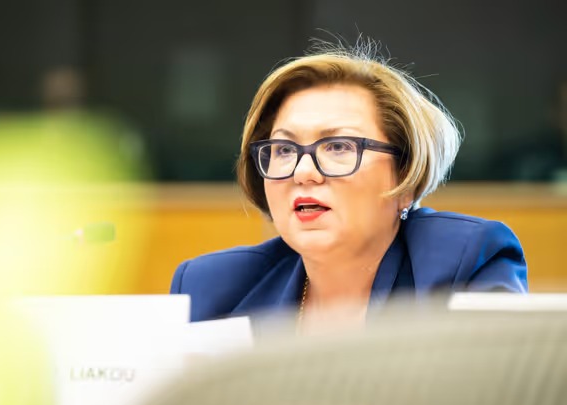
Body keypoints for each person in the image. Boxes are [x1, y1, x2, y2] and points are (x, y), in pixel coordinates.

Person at [170, 41, 528, 330]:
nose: (303, 172)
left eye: (338, 147)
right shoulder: (212, 287)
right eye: (284, 149)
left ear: (406, 175)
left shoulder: (462, 264)